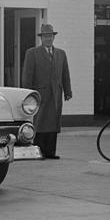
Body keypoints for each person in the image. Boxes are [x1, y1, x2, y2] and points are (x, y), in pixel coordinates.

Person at [21, 23, 72, 159]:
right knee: (40, 123)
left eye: (50, 36)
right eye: (45, 36)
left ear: (53, 38)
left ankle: (51, 152)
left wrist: (68, 91)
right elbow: (27, 75)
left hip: (55, 94)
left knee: (53, 124)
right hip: (40, 94)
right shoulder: (32, 53)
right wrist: (28, 94)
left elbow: (65, 74)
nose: (48, 39)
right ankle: (39, 151)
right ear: (41, 38)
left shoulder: (61, 54)